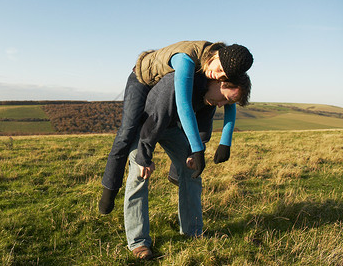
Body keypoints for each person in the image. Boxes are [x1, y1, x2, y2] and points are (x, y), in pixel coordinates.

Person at [99, 41, 253, 214]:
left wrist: (225, 142)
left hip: (168, 87)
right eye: (220, 70)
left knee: (179, 121)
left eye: (224, 76)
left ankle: (176, 174)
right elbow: (183, 105)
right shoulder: (186, 59)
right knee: (127, 132)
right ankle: (109, 189)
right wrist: (197, 150)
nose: (218, 76)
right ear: (217, 55)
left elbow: (228, 100)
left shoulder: (215, 67)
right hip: (143, 80)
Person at [124, 72, 251, 260]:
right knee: (139, 174)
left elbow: (202, 128)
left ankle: (193, 231)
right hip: (145, 124)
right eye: (224, 99)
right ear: (219, 81)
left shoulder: (211, 99)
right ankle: (139, 242)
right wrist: (145, 158)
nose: (221, 105)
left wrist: (194, 153)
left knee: (193, 171)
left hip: (170, 128)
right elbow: (154, 122)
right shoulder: (183, 82)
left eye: (227, 103)